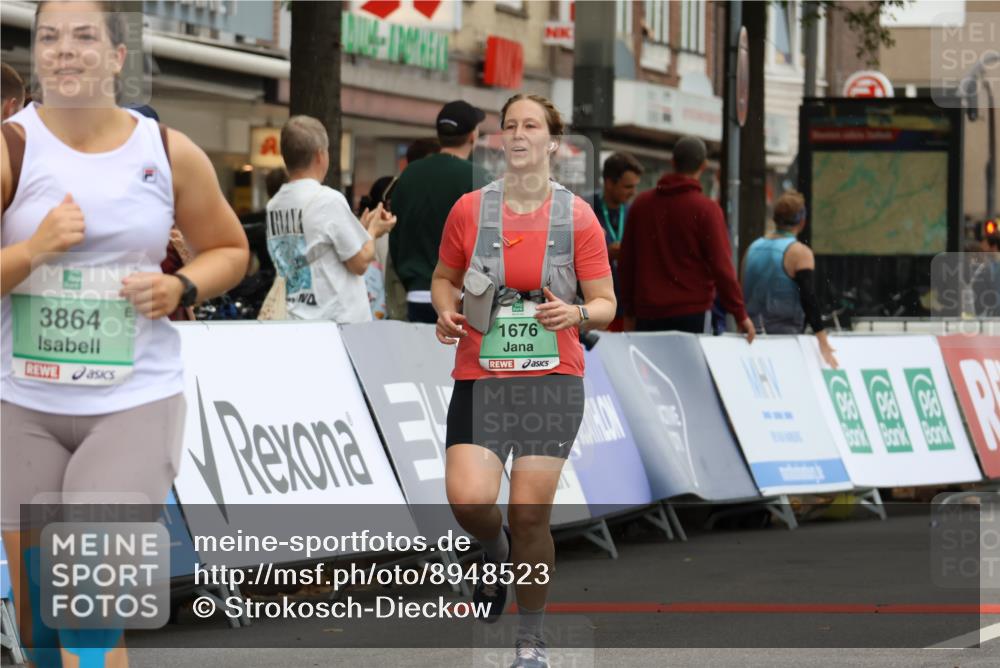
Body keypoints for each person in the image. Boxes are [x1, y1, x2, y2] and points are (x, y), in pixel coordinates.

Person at [0, 2, 249, 666]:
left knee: (88, 602)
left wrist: (181, 286)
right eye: (49, 38)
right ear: (37, 57)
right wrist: (34, 251)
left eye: (84, 37)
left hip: (134, 402)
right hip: (22, 404)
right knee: (41, 629)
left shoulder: (165, 151)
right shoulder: (10, 148)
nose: (64, 50)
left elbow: (228, 247)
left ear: (116, 56)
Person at [432, 93, 615, 668]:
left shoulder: (577, 216)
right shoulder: (469, 209)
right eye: (508, 125)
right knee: (468, 500)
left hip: (552, 379)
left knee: (530, 514)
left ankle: (530, 640)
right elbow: (444, 276)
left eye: (530, 125)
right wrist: (443, 309)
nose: (517, 134)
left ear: (552, 142)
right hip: (483, 375)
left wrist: (578, 314)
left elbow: (606, 302)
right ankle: (490, 549)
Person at [618, 135, 755, 341]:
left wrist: (628, 310)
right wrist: (740, 314)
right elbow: (722, 267)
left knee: (652, 372)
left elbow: (626, 262)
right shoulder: (706, 209)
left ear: (672, 162)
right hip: (692, 313)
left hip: (647, 314)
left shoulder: (641, 205)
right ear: (704, 165)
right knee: (687, 373)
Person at [266, 115, 396, 323]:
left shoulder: (275, 204)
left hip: (296, 318)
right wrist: (373, 231)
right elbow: (360, 263)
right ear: (320, 155)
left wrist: (359, 228)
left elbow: (319, 244)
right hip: (336, 323)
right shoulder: (328, 199)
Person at [390, 100, 490, 323]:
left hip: (415, 294)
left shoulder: (409, 174)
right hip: (462, 298)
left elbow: (395, 236)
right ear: (473, 135)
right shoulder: (479, 178)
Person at [742, 191, 838, 367]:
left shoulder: (753, 248)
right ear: (802, 222)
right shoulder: (799, 252)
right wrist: (822, 340)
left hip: (749, 338)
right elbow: (808, 297)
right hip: (784, 341)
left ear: (775, 219)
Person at [590, 152, 642, 331]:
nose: (633, 193)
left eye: (635, 187)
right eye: (628, 186)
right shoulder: (585, 208)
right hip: (592, 306)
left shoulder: (633, 212)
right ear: (609, 183)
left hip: (624, 308)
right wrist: (605, 252)